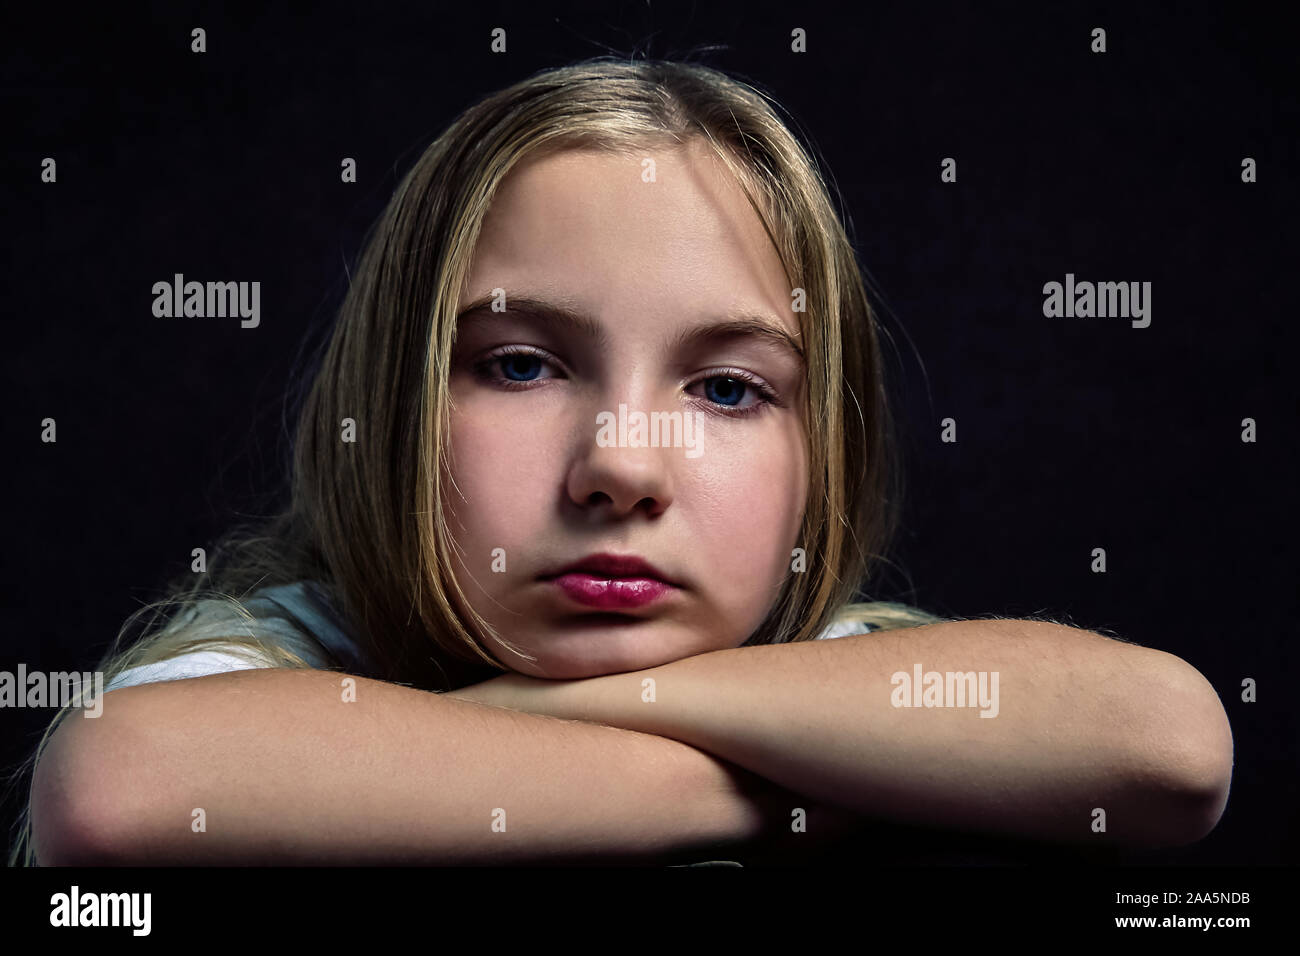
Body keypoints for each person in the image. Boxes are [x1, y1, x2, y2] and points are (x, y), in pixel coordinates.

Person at [9, 58, 1232, 866]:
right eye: (522, 365)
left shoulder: (825, 669)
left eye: (725, 388)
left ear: (823, 451)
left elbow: (1167, 742)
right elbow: (117, 781)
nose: (619, 468)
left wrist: (571, 715)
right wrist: (797, 780)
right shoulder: (277, 654)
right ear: (390, 406)